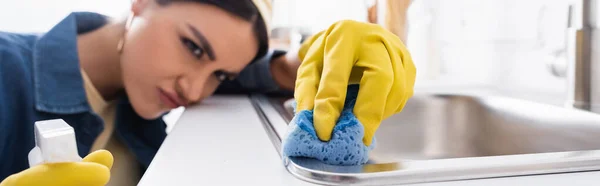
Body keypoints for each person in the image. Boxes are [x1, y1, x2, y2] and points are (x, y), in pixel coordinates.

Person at [0, 0, 416, 185]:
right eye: (194, 47)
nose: (195, 89)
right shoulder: (6, 71)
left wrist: (307, 59)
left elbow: (264, 70)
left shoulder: (148, 83)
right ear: (142, 2)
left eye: (221, 74)